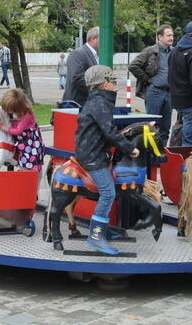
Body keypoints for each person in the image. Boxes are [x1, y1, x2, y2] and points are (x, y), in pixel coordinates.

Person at [75, 65, 139, 255]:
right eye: (113, 82)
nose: (115, 86)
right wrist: (130, 148)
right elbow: (109, 132)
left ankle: (103, 229)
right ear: (104, 84)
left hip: (93, 152)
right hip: (92, 156)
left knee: (111, 190)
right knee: (108, 193)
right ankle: (95, 237)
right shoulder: (100, 104)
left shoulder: (97, 101)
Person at [128, 24, 174, 145]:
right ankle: (150, 156)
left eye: (172, 35)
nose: (171, 38)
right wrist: (147, 79)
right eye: (168, 35)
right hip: (154, 92)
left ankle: (162, 155)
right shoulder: (150, 51)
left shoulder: (174, 53)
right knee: (151, 126)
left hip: (169, 94)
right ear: (160, 37)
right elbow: (133, 66)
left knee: (165, 128)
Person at [0, 89, 42, 171]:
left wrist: (2, 126)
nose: (7, 111)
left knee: (29, 160)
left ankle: (29, 174)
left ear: (18, 108)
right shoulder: (15, 112)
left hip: (29, 144)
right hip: (20, 141)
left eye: (9, 109)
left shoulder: (27, 115)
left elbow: (17, 131)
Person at [62, 26, 99, 106]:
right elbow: (77, 78)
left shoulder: (97, 55)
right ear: (93, 39)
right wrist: (99, 88)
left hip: (90, 104)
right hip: (77, 105)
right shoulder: (78, 54)